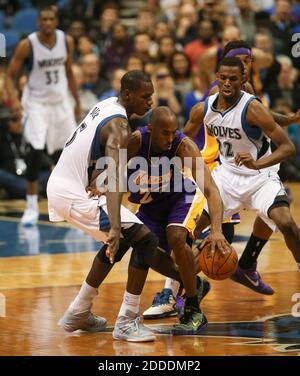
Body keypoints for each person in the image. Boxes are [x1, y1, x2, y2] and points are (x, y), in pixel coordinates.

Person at [47, 71, 213, 342]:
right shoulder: (121, 127)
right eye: (145, 96)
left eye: (152, 96)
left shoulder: (105, 105)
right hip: (75, 194)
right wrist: (113, 224)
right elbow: (114, 178)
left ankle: (78, 311)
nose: (150, 101)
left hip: (65, 186)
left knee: (126, 239)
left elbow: (93, 154)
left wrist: (94, 178)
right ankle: (127, 320)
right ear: (127, 95)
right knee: (144, 239)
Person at [189, 57, 300, 278]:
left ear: (243, 80)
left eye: (233, 78)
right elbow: (182, 140)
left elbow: (288, 148)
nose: (227, 83)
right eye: (223, 78)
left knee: (286, 223)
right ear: (217, 78)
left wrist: (257, 163)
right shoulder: (204, 109)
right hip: (226, 178)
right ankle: (185, 295)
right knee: (188, 234)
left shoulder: (253, 108)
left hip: (260, 178)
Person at [127, 106, 230, 333]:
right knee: (143, 247)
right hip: (152, 204)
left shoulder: (184, 146)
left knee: (175, 236)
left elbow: (212, 191)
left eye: (174, 131)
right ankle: (196, 284)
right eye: (165, 133)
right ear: (151, 129)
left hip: (181, 196)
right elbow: (112, 175)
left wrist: (216, 230)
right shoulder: (135, 141)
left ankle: (193, 308)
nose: (171, 137)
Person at [5, 5, 80, 225]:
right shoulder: (27, 45)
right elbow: (10, 76)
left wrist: (75, 99)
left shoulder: (66, 41)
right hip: (36, 103)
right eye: (44, 19)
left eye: (51, 18)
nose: (47, 22)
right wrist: (16, 102)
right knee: (36, 152)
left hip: (60, 101)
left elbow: (68, 72)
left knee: (69, 151)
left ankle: (72, 202)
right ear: (38, 21)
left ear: (56, 21)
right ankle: (30, 204)